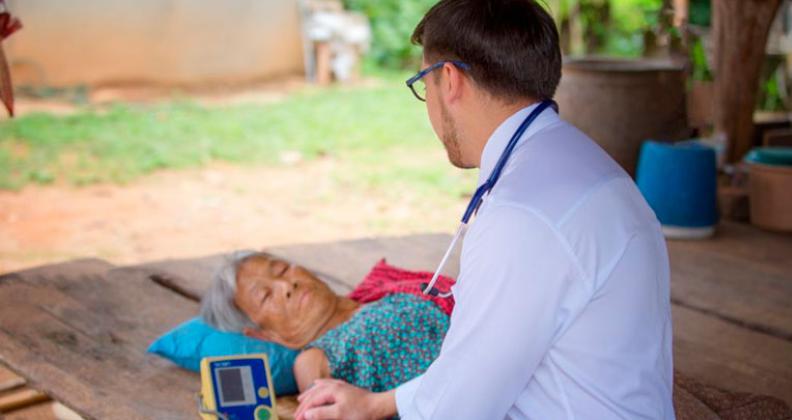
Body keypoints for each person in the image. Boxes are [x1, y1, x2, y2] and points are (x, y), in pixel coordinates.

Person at [294, 0, 675, 419]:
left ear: (450, 79)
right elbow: (484, 363)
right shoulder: (589, 165)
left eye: (425, 84)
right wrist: (376, 404)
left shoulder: (519, 215)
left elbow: (460, 409)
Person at [201, 251, 451, 393]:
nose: (287, 285)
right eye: (266, 295)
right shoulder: (313, 360)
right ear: (263, 335)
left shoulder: (386, 291)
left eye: (281, 270)